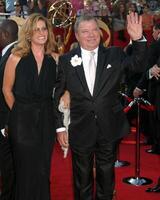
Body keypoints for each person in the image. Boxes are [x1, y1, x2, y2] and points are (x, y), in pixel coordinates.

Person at [55, 13, 147, 200]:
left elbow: (138, 65)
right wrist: (60, 127)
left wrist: (138, 39)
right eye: (85, 31)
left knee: (106, 180)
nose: (91, 35)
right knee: (82, 181)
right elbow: (56, 95)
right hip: (80, 128)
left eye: (94, 30)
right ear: (77, 35)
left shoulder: (114, 54)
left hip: (109, 126)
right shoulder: (66, 60)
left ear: (100, 31)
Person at [2, 13, 57, 200]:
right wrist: (19, 112)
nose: (41, 33)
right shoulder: (16, 58)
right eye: (36, 29)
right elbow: (6, 89)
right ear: (28, 33)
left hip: (46, 122)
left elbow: (64, 86)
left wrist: (65, 94)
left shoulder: (54, 59)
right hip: (22, 122)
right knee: (25, 170)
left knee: (43, 169)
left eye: (44, 29)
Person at [133, 22, 160, 153]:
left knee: (156, 118)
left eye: (154, 31)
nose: (153, 34)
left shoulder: (155, 46)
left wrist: (140, 86)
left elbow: (148, 68)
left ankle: (157, 146)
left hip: (156, 87)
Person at [0, 19, 18, 200]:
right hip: (7, 120)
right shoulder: (10, 53)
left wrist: (8, 122)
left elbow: (13, 91)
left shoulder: (13, 55)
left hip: (7, 122)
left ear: (5, 34)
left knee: (9, 165)